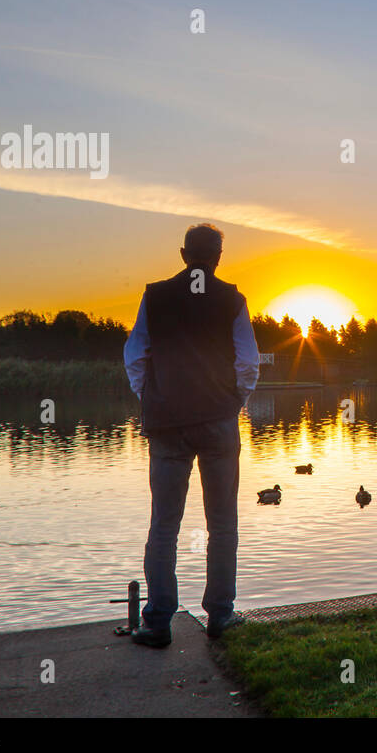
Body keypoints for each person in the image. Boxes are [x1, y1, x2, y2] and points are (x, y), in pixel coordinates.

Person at [122, 223, 259, 647]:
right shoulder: (232, 300)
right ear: (219, 256)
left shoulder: (156, 296)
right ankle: (220, 614)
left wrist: (152, 398)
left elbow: (135, 356)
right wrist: (234, 402)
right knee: (222, 524)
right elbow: (248, 363)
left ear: (184, 254)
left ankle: (158, 622)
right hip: (218, 420)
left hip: (166, 423)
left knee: (164, 524)